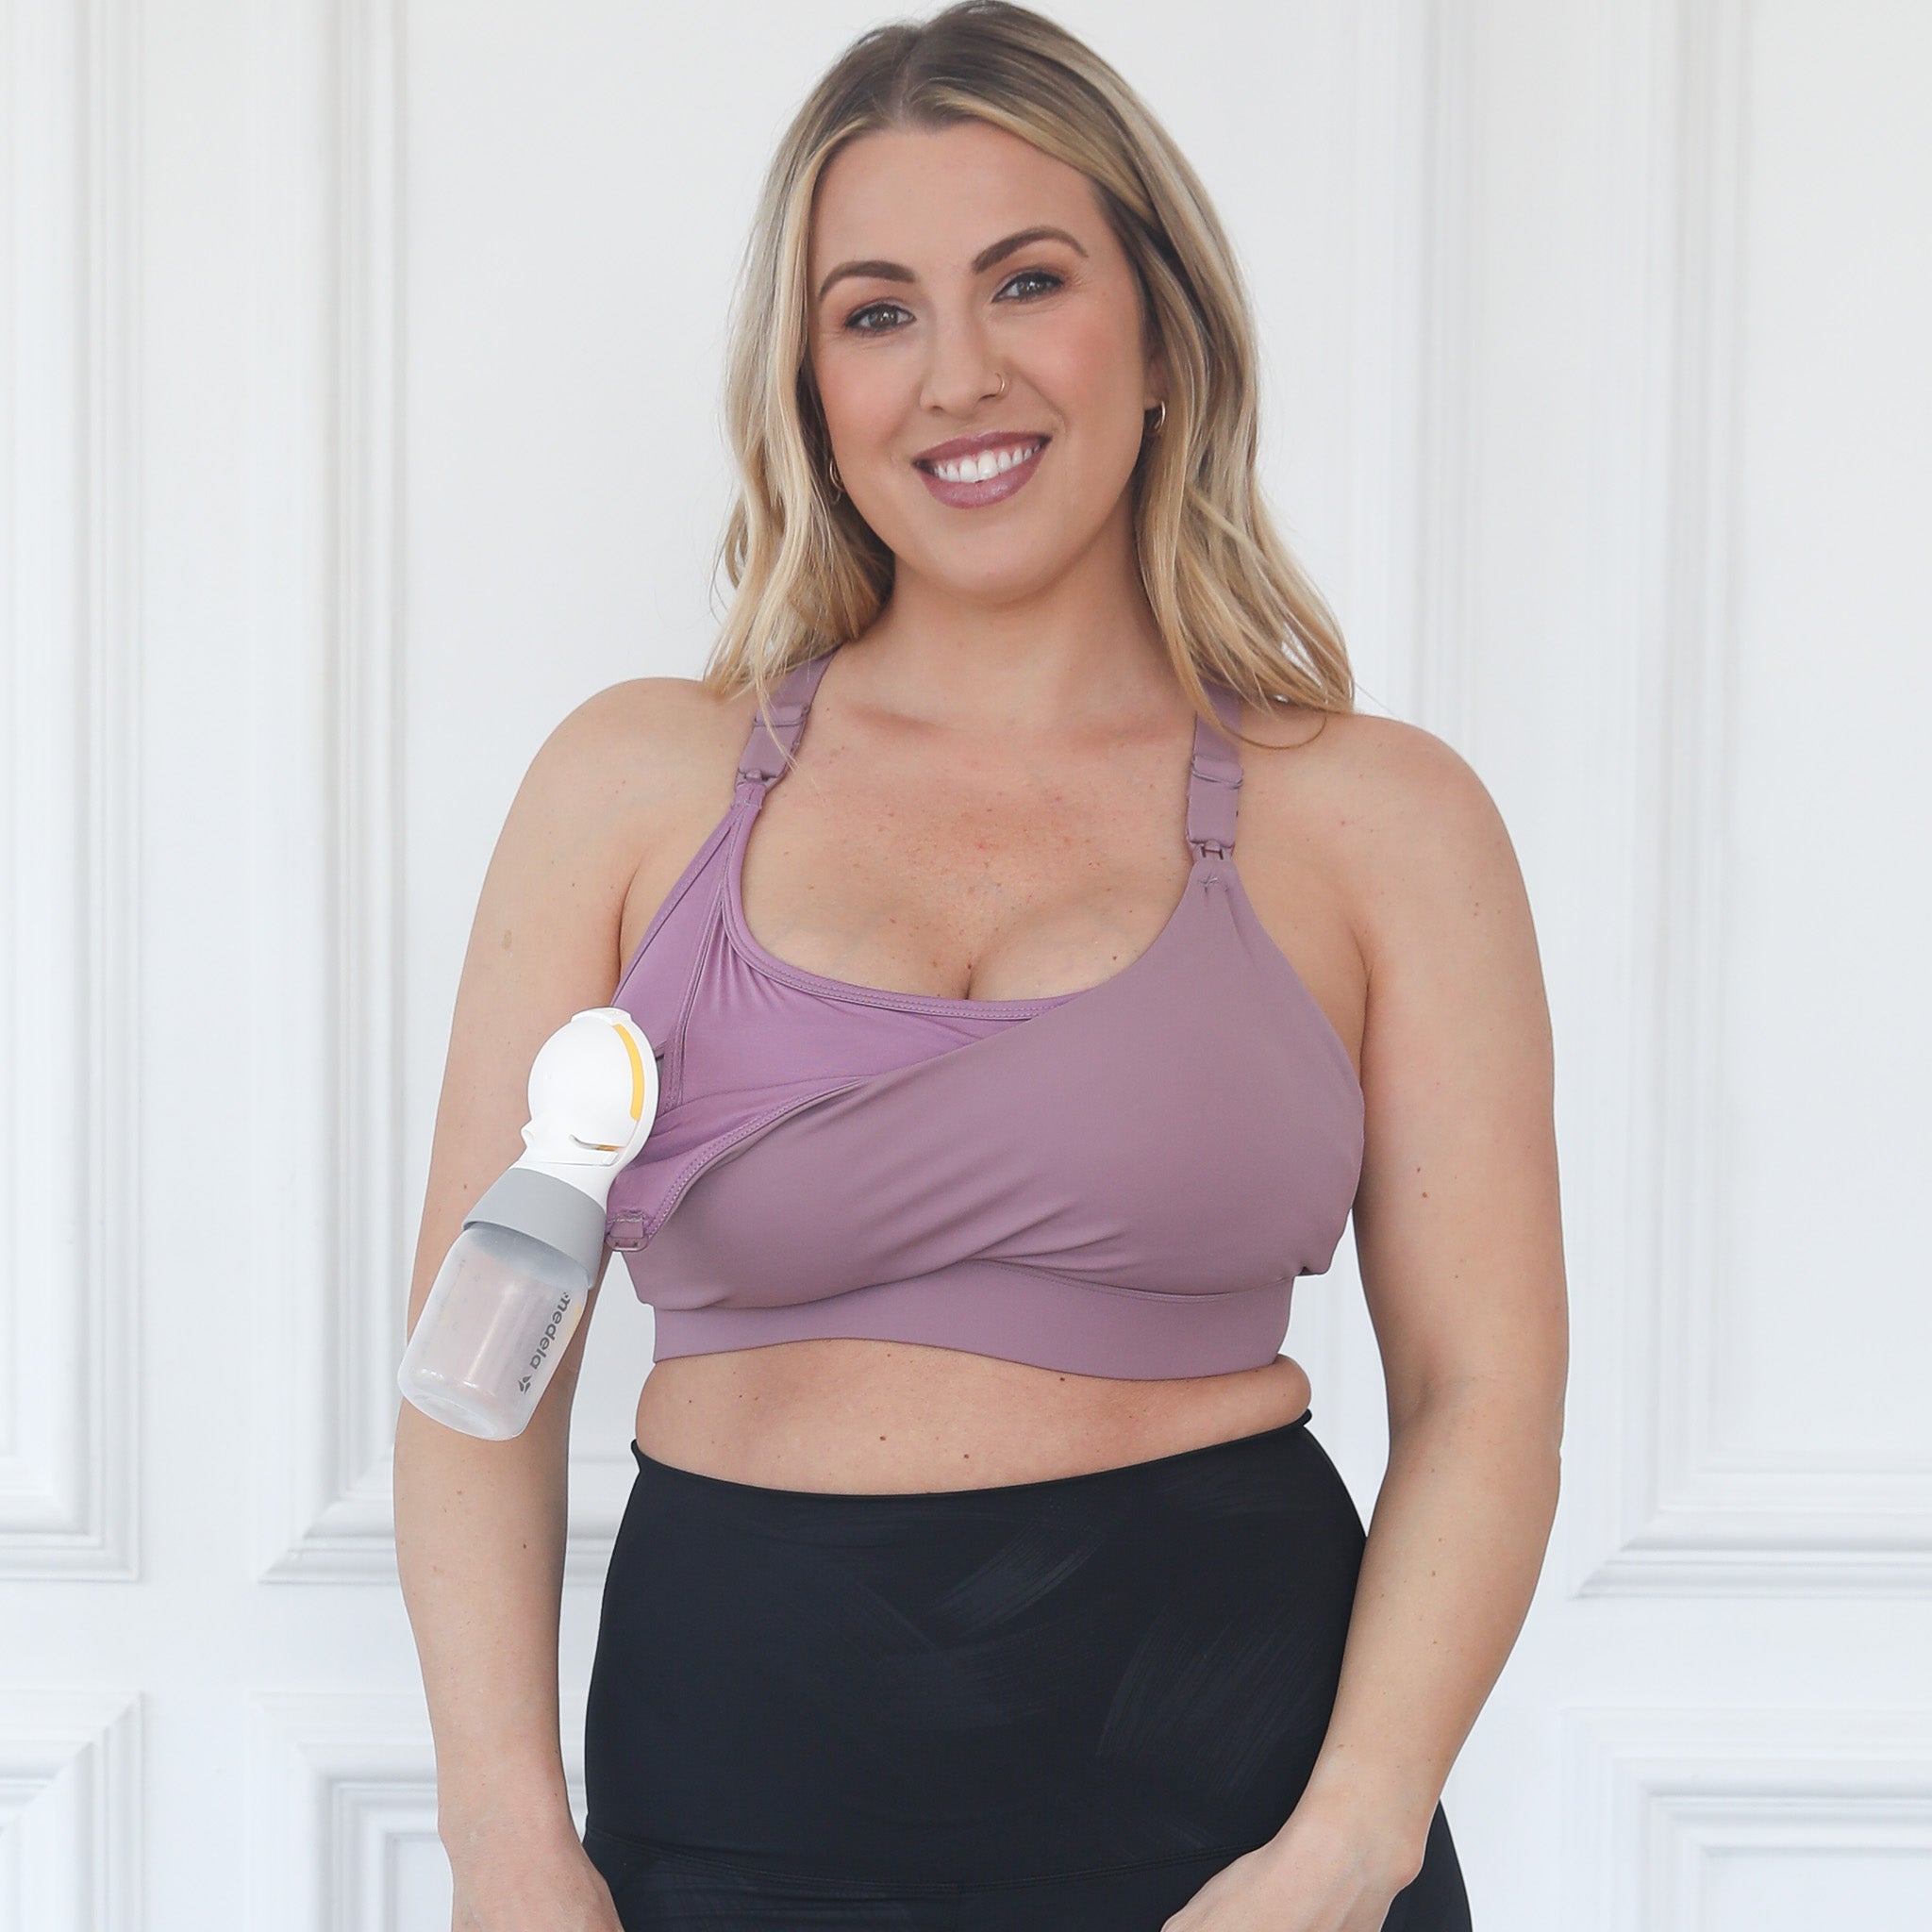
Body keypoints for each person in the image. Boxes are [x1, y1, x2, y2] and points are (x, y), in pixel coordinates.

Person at [394, 4, 1567, 1928]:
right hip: (726, 1814)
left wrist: (1346, 1848)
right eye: (877, 312)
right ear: (808, 384)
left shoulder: (1379, 821)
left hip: (1237, 1828)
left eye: (1028, 281)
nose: (958, 375)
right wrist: (506, 1841)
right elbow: (476, 1377)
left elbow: (1482, 1394)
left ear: (1162, 331)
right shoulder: (632, 788)